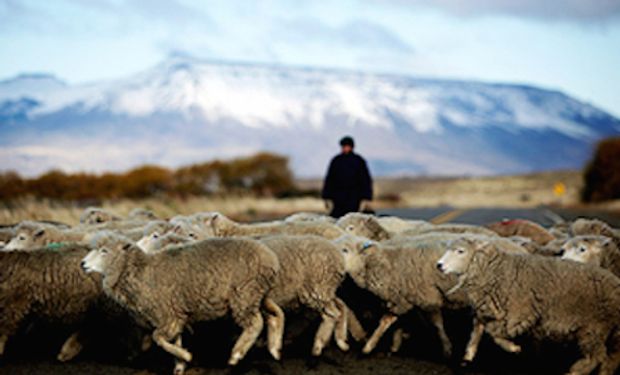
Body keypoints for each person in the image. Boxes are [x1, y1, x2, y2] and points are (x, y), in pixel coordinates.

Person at [322, 136, 373, 218]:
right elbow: (329, 179)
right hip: (338, 198)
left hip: (354, 197)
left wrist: (367, 197)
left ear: (351, 147)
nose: (345, 148)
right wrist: (326, 197)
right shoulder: (336, 161)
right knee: (337, 219)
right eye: (343, 146)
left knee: (352, 220)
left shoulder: (359, 161)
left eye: (347, 146)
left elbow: (365, 180)